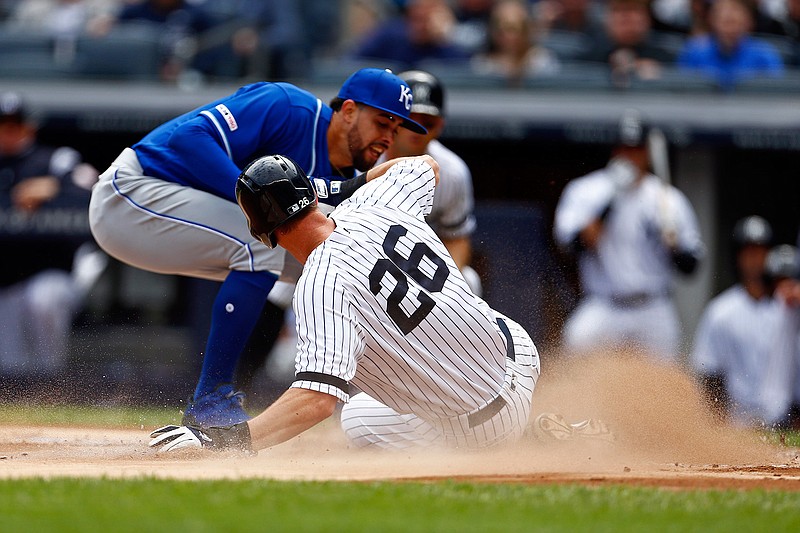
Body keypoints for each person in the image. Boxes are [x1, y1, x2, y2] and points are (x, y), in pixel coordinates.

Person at [89, 68, 427, 429]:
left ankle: (417, 400)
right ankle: (210, 400)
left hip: (169, 223)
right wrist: (259, 199)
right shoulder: (287, 107)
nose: (388, 137)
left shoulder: (348, 179)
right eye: (382, 122)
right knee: (263, 241)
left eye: (396, 129)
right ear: (347, 111)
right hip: (132, 193)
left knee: (349, 267)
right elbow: (189, 138)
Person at [149, 154, 541, 453]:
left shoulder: (321, 284)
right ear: (313, 195)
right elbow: (426, 165)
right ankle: (539, 423)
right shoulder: (374, 203)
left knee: (354, 418)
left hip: (485, 429)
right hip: (519, 352)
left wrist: (226, 442)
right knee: (365, 403)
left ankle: (530, 440)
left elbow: (317, 401)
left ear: (261, 233)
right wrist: (346, 186)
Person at [553, 108, 704, 363]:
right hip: (604, 305)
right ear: (614, 151)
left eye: (635, 149)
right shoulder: (588, 190)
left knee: (664, 378)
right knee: (575, 343)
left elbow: (692, 266)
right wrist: (611, 199)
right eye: (623, 149)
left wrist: (674, 246)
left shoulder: (668, 199)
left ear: (647, 153)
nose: (629, 156)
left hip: (652, 307)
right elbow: (571, 246)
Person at [0, 91, 104, 377]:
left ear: (28, 126)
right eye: (2, 125)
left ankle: (52, 384)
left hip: (52, 273)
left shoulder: (56, 160)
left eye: (13, 124)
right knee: (9, 366)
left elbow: (95, 188)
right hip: (5, 282)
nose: (7, 132)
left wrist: (55, 186)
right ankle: (17, 410)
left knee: (43, 298)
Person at [378, 69, 482, 295]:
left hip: (418, 266)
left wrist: (446, 286)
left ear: (440, 125)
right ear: (391, 119)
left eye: (427, 121)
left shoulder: (452, 172)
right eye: (409, 121)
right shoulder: (366, 158)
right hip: (358, 257)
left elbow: (457, 238)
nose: (417, 130)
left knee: (468, 281)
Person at [691, 217, 800, 427]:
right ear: (737, 256)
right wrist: (717, 422)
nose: (755, 259)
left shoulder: (788, 308)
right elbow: (708, 373)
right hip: (738, 422)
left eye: (760, 251)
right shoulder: (721, 311)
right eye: (748, 251)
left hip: (782, 419)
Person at [677, 0, 785, 90]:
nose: (730, 29)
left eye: (735, 22)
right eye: (726, 22)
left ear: (748, 23)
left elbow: (776, 90)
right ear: (712, 21)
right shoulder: (694, 50)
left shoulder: (764, 54)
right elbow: (682, 88)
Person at [577, 0, 677, 86]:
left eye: (634, 10)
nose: (627, 17)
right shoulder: (590, 55)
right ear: (607, 20)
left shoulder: (665, 55)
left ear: (647, 19)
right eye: (618, 10)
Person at [349, 0, 473, 69]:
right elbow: (351, 62)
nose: (419, 26)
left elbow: (465, 73)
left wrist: (445, 38)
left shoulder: (447, 45)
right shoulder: (390, 36)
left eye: (425, 20)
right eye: (415, 18)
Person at [470, 0, 561, 85]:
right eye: (501, 27)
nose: (509, 34)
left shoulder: (542, 62)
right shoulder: (483, 65)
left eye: (516, 27)